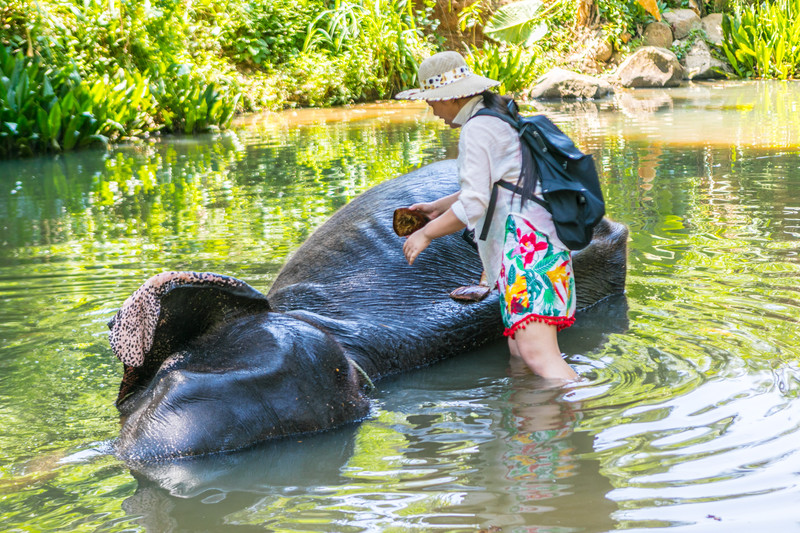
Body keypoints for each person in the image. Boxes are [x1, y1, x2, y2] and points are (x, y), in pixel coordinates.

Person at [395, 51, 578, 382]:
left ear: (451, 96)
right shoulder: (497, 118)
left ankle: (582, 418)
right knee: (520, 353)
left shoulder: (477, 129)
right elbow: (500, 184)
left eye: (432, 101)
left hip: (529, 252)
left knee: (538, 355)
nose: (432, 109)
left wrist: (426, 233)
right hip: (535, 246)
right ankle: (528, 427)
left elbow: (475, 205)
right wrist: (439, 207)